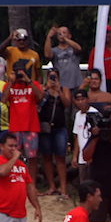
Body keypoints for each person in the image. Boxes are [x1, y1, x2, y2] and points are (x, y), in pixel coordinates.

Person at [2, 61, 44, 185]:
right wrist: (10, 82)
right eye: (17, 71)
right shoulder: (9, 85)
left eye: (22, 71)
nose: (20, 74)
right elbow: (3, 99)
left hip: (31, 126)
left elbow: (40, 98)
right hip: (15, 126)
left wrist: (28, 80)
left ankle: (32, 184)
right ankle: (16, 182)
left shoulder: (33, 84)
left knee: (32, 158)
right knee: (14, 156)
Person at [37, 69, 72, 197]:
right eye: (51, 77)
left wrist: (59, 91)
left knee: (60, 157)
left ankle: (63, 187)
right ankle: (52, 185)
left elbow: (67, 104)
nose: (53, 80)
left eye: (55, 77)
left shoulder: (64, 89)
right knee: (47, 157)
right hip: (45, 127)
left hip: (59, 127)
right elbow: (38, 101)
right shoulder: (43, 89)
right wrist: (46, 88)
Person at [71, 89, 100, 184]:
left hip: (92, 155)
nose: (80, 102)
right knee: (83, 182)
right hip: (82, 157)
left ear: (87, 99)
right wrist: (75, 156)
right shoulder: (78, 115)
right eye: (78, 100)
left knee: (93, 182)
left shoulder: (94, 113)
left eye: (82, 99)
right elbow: (77, 137)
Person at [43, 24, 83, 90]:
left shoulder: (73, 48)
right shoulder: (54, 50)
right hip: (61, 85)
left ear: (69, 35)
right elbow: (47, 55)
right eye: (59, 33)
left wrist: (64, 38)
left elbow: (79, 49)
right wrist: (49, 37)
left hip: (76, 84)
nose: (61, 34)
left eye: (64, 32)